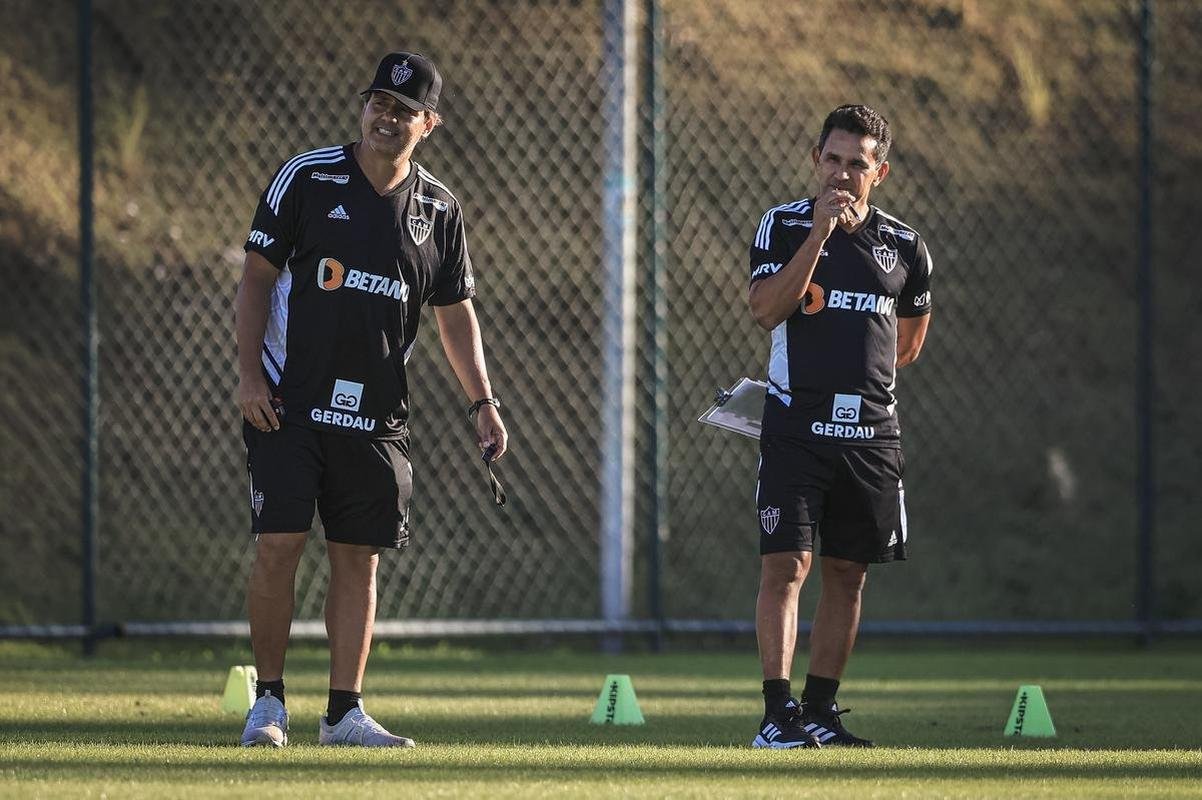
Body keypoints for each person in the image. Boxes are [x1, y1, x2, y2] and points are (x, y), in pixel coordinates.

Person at [233, 51, 507, 748]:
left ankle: (343, 714)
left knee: (361, 557)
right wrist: (249, 377)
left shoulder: (440, 209)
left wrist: (484, 401)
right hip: (288, 403)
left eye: (403, 109)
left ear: (429, 124)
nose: (386, 117)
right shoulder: (308, 176)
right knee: (279, 546)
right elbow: (257, 277)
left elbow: (455, 315)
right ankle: (267, 704)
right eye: (377, 103)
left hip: (377, 414)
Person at [746, 105, 932, 748]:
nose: (843, 174)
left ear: (879, 171)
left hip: (872, 436)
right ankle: (777, 715)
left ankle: (821, 712)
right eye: (833, 159)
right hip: (796, 425)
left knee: (849, 572)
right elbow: (767, 310)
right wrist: (820, 239)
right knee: (786, 566)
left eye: (858, 164)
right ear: (815, 159)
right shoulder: (784, 225)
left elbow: (907, 344)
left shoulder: (905, 245)